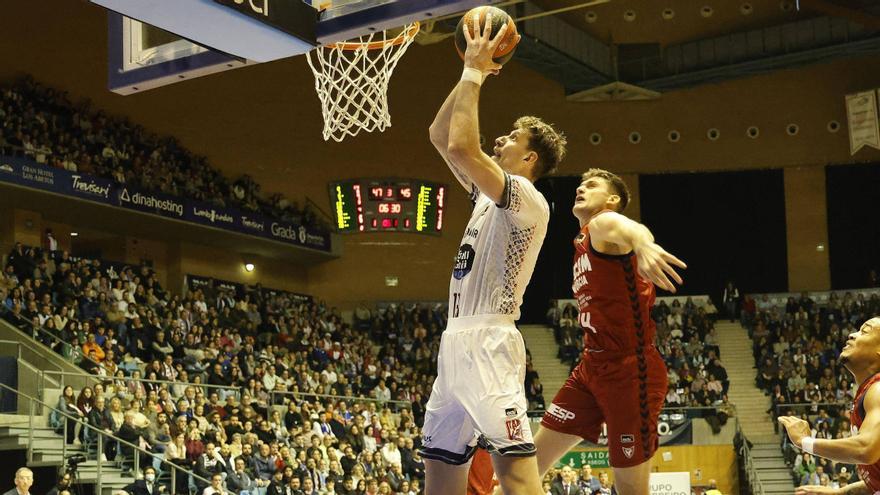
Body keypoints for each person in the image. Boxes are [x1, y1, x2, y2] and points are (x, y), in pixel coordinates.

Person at [422, 12, 567, 495]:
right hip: (454, 344)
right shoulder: (486, 195)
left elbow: (464, 148)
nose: (500, 139)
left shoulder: (525, 197)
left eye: (512, 139)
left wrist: (475, 73)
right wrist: (469, 64)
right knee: (440, 479)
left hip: (490, 344)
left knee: (517, 480)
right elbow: (442, 137)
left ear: (529, 159)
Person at [532, 169, 686, 495]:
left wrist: (644, 245)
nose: (580, 188)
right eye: (580, 184)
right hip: (591, 369)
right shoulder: (582, 242)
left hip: (630, 370)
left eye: (592, 185)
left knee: (629, 490)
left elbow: (632, 229)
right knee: (526, 467)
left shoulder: (603, 224)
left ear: (612, 199)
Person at [779, 316, 880, 495]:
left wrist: (805, 442)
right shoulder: (868, 391)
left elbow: (865, 449)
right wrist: (839, 492)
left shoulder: (878, 390)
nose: (851, 334)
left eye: (864, 331)